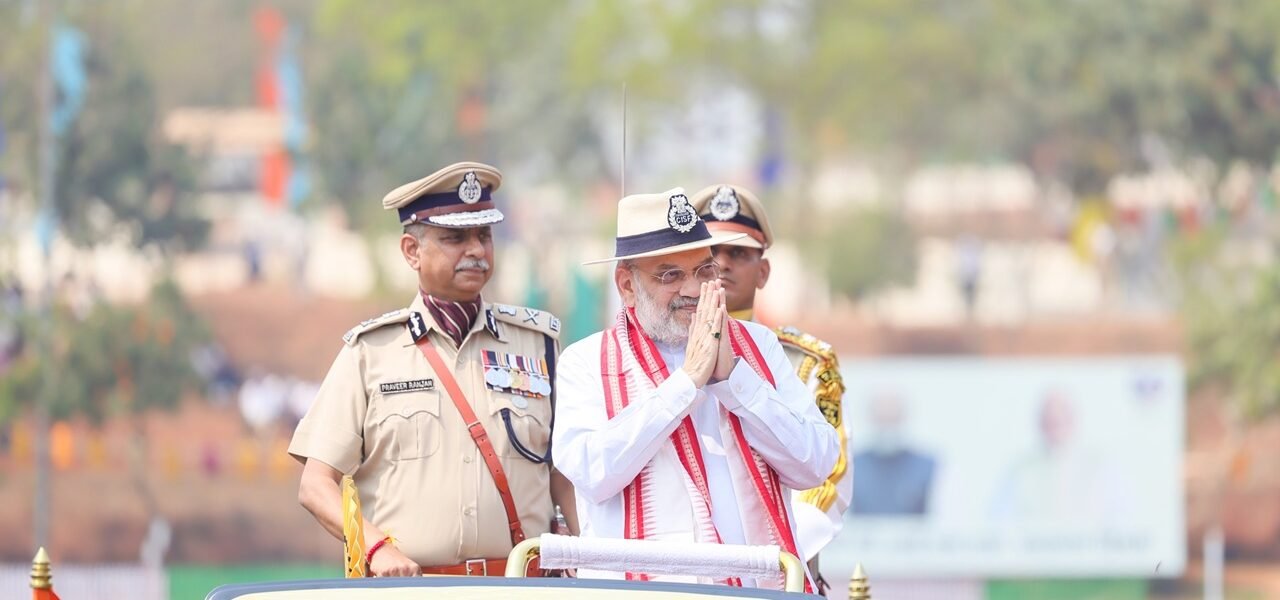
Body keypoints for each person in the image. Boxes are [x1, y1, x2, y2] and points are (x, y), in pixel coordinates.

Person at [289, 162, 576, 578]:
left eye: (484, 235)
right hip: (415, 589)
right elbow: (315, 486)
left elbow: (564, 475)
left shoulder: (537, 345)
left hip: (519, 587)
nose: (476, 250)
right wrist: (376, 550)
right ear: (411, 251)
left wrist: (589, 563)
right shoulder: (371, 353)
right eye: (455, 238)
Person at [552, 188, 838, 591]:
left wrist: (733, 381)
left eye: (703, 271)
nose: (692, 289)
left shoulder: (758, 347)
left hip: (755, 589)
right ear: (627, 285)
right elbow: (591, 473)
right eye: (670, 275)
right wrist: (684, 384)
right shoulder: (585, 361)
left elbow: (815, 465)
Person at [689, 184, 850, 591]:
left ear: (763, 272)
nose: (722, 265)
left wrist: (779, 545)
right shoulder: (660, 355)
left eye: (738, 254)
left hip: (781, 565)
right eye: (711, 253)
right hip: (688, 565)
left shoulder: (806, 363)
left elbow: (827, 477)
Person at [850, 392, 936, 516]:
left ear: (903, 416)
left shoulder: (929, 467)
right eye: (882, 418)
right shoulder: (848, 466)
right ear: (871, 417)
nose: (887, 425)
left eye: (892, 418)